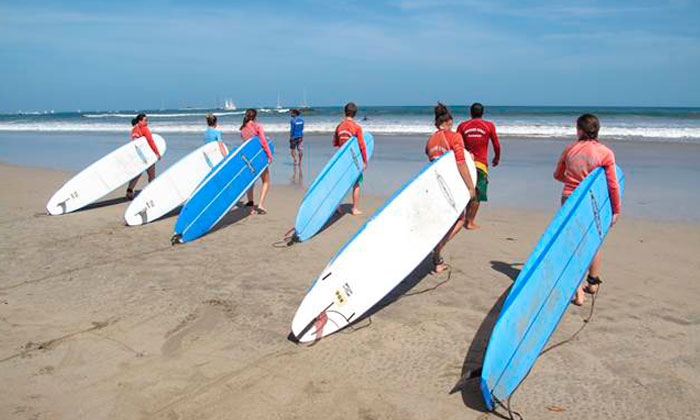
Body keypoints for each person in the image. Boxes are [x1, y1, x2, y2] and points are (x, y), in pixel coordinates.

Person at [554, 114, 621, 306]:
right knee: (594, 241)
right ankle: (591, 283)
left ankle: (577, 290)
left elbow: (558, 174)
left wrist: (572, 181)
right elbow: (613, 184)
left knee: (573, 242)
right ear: (597, 130)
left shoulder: (570, 149)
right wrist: (616, 209)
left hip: (569, 198)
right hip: (593, 201)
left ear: (580, 130)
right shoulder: (606, 152)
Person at [425, 103, 477, 273]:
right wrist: (470, 187)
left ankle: (438, 258)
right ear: (450, 121)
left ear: (436, 124)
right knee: (460, 219)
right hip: (451, 187)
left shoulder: (430, 140)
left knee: (442, 221)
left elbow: (434, 161)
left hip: (434, 187)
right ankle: (438, 250)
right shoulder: (455, 137)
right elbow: (460, 163)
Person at [457, 103, 501, 229]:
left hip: (466, 163)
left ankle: (464, 218)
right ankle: (469, 222)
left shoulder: (462, 126)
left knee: (468, 191)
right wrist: (497, 158)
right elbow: (496, 144)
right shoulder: (489, 125)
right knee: (478, 193)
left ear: (471, 113)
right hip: (480, 165)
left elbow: (457, 144)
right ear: (482, 113)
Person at [333, 102, 368, 215]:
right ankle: (354, 208)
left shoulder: (339, 126)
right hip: (353, 160)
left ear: (345, 112)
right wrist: (364, 161)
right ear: (355, 113)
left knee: (340, 183)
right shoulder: (357, 127)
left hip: (341, 159)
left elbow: (335, 143)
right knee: (356, 184)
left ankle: (338, 206)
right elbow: (362, 145)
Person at [240, 109, 274, 214]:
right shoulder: (257, 126)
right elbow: (263, 142)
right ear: (255, 117)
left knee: (251, 183)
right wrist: (269, 155)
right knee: (266, 181)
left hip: (248, 158)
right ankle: (260, 204)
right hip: (259, 158)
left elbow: (246, 144)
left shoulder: (242, 129)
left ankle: (250, 208)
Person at [126, 113, 161, 200]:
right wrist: (157, 153)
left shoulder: (134, 130)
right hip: (148, 155)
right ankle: (152, 192)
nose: (147, 122)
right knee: (151, 175)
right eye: (145, 120)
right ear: (140, 121)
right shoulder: (145, 129)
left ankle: (129, 191)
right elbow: (151, 142)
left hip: (138, 155)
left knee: (137, 174)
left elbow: (134, 142)